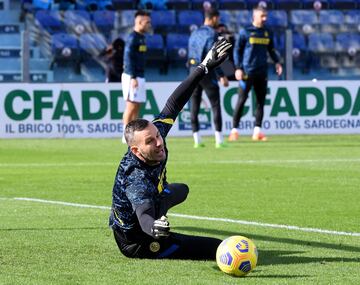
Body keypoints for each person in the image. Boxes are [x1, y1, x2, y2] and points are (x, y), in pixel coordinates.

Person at [109, 39, 232, 259]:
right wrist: (154, 227)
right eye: (150, 142)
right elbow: (144, 214)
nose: (158, 142)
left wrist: (203, 67)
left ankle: (161, 212)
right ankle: (160, 235)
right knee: (218, 248)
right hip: (135, 239)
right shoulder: (135, 177)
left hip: (149, 207)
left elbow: (174, 103)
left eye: (157, 136)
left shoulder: (156, 133)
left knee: (181, 189)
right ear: (136, 151)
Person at [229, 6, 283, 142]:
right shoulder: (245, 32)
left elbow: (271, 49)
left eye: (266, 16)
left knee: (260, 102)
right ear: (254, 17)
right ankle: (234, 130)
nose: (265, 19)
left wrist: (277, 62)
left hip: (262, 72)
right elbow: (237, 51)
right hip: (247, 71)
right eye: (262, 16)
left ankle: (257, 131)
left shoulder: (267, 32)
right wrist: (238, 68)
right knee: (241, 100)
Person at [187, 8, 229, 149]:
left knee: (195, 105)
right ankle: (219, 140)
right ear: (214, 18)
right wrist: (221, 75)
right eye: (218, 18)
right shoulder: (212, 33)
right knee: (215, 104)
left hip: (193, 71)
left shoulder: (194, 32)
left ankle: (197, 140)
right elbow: (213, 56)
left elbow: (190, 54)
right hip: (206, 71)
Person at [121, 10, 151, 144]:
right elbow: (128, 57)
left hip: (140, 74)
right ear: (139, 22)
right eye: (147, 22)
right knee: (131, 105)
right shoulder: (132, 37)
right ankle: (124, 134)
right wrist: (132, 76)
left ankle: (133, 133)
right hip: (132, 75)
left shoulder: (142, 37)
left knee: (137, 106)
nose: (149, 24)